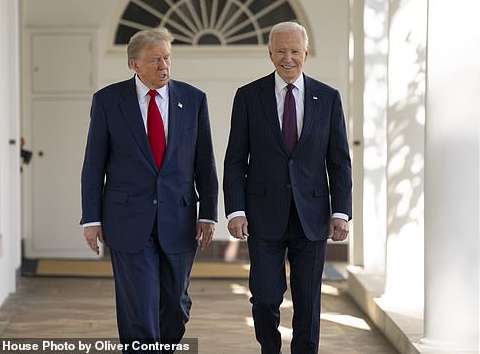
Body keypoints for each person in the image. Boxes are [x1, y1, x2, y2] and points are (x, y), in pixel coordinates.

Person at [80, 27, 218, 352]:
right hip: (127, 221)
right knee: (139, 311)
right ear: (134, 64)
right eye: (155, 59)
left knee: (176, 306)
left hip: (180, 220)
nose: (163, 66)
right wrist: (91, 219)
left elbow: (205, 163)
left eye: (167, 57)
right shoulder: (108, 102)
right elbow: (93, 165)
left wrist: (209, 214)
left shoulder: (194, 100)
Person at [223, 21, 352, 354]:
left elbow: (339, 162)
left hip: (313, 216)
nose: (288, 58)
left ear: (306, 53)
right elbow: (235, 159)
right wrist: (235, 210)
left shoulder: (328, 98)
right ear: (270, 53)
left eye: (295, 51)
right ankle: (270, 348)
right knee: (265, 297)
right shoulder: (249, 97)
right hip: (263, 216)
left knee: (308, 303)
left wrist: (341, 212)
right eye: (281, 51)